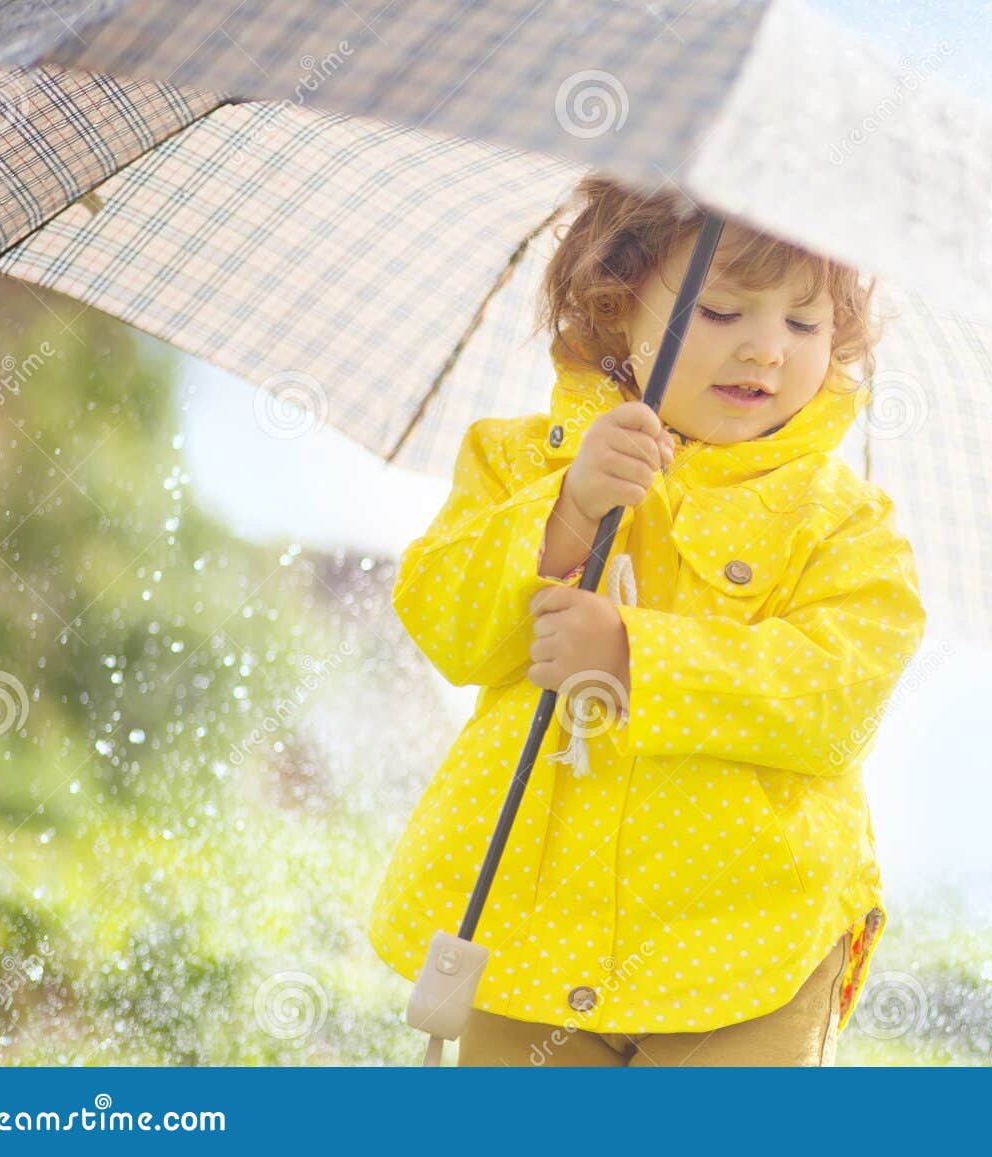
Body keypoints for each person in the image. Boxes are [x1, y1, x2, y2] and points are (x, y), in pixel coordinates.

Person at [368, 174, 926, 1066]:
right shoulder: (523, 460)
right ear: (616, 305)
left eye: (802, 322)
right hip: (528, 927)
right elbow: (447, 623)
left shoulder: (844, 519)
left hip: (753, 948)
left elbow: (837, 698)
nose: (765, 350)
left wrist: (634, 655)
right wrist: (566, 511)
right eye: (719, 311)